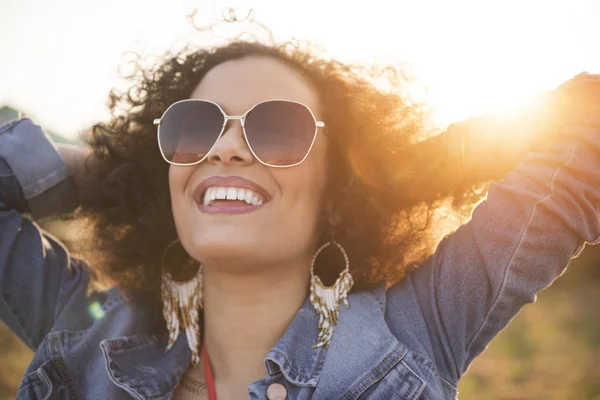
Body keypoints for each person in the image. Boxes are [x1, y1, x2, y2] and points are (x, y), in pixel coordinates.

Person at [1, 34, 599, 400]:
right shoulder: (83, 328)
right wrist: (119, 173)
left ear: (334, 183)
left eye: (277, 129)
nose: (225, 148)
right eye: (195, 128)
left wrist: (408, 172)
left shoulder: (420, 327)